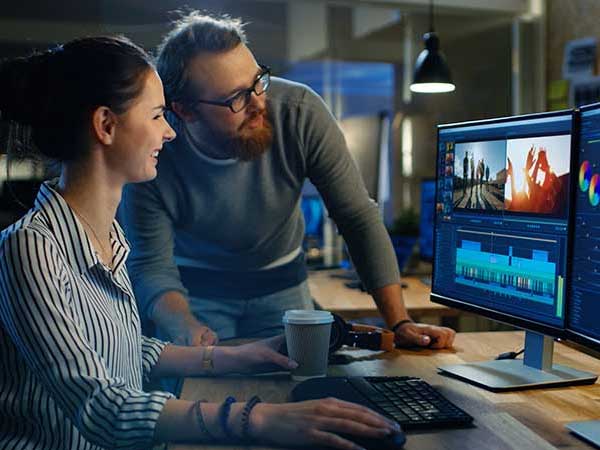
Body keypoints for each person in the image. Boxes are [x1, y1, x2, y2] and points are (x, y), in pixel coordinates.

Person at [0, 36, 400, 450]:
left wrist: (241, 355)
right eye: (157, 116)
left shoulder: (105, 235)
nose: (170, 132)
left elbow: (117, 351)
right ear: (106, 126)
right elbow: (102, 407)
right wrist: (259, 418)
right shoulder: (30, 248)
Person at [120, 12, 456, 349]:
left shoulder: (299, 110)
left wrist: (399, 321)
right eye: (236, 98)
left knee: (298, 383)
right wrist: (185, 326)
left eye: (258, 81)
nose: (259, 104)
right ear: (185, 111)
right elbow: (151, 264)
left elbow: (357, 216)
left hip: (283, 285)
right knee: (207, 389)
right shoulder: (153, 146)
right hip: (195, 293)